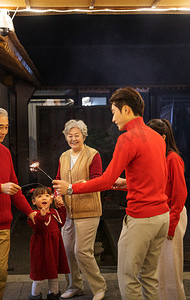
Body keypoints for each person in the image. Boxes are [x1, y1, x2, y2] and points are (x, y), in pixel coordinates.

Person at [53, 87, 169, 300]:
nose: (113, 118)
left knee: (128, 278)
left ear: (126, 109)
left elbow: (105, 181)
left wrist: (70, 188)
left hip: (141, 218)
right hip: (162, 217)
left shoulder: (127, 139)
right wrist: (125, 183)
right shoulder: (156, 138)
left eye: (114, 111)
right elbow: (156, 179)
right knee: (150, 277)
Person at [0, 107, 37, 300]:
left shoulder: (5, 153)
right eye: (0, 127)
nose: (4, 131)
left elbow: (14, 188)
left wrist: (30, 212)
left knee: (0, 275)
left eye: (7, 127)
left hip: (3, 225)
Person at [55, 119, 107, 300]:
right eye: (70, 135)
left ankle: (99, 287)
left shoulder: (93, 155)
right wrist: (57, 196)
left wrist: (72, 186)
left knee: (82, 250)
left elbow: (97, 180)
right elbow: (57, 181)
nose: (73, 138)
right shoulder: (63, 156)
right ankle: (74, 285)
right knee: (67, 248)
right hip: (68, 211)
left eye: (77, 135)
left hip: (89, 209)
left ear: (84, 136)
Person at [147, 119, 188, 300]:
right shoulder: (156, 157)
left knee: (171, 267)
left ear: (162, 137)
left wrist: (172, 224)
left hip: (173, 214)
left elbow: (180, 194)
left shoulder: (173, 159)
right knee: (158, 267)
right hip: (159, 214)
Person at [27, 186, 69, 300]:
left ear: (51, 199)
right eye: (39, 196)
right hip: (40, 248)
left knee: (53, 272)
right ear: (34, 201)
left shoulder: (54, 212)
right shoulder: (34, 214)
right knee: (39, 274)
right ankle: (35, 295)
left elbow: (61, 223)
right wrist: (43, 215)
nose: (44, 198)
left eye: (47, 195)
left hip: (54, 247)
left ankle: (54, 294)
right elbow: (38, 226)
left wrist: (61, 208)